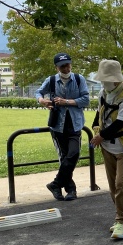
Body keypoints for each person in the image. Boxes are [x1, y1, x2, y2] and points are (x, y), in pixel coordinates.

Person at [91, 59, 123, 240]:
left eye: (106, 80)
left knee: (121, 184)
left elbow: (121, 123)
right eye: (102, 79)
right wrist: (96, 131)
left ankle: (121, 221)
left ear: (116, 80)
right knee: (114, 186)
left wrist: (101, 136)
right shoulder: (103, 93)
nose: (103, 83)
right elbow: (99, 114)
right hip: (108, 147)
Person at [36, 52, 90, 201]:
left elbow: (86, 100)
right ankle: (70, 190)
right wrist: (42, 100)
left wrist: (66, 101)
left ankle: (56, 184)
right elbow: (38, 92)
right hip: (57, 125)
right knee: (65, 157)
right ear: (57, 67)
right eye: (62, 66)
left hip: (75, 123)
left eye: (67, 65)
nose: (66, 68)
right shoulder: (51, 80)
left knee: (73, 154)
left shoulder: (79, 79)